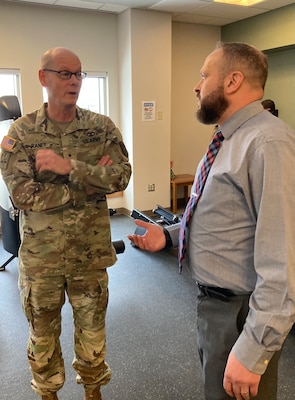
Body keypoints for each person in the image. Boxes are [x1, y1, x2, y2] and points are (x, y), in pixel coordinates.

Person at [128, 41, 295, 400]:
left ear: (233, 81)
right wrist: (171, 236)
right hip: (215, 308)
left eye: (205, 75)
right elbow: (222, 214)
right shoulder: (227, 138)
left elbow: (284, 259)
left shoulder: (267, 143)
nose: (197, 85)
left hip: (243, 314)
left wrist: (254, 349)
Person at [0, 47, 131, 400]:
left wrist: (66, 167)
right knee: (42, 339)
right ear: (44, 77)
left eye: (79, 74)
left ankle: (93, 392)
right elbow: (23, 196)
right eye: (64, 73)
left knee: (93, 336)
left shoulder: (101, 128)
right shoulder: (21, 133)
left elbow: (120, 177)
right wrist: (89, 185)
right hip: (42, 263)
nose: (74, 81)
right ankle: (48, 395)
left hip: (89, 258)